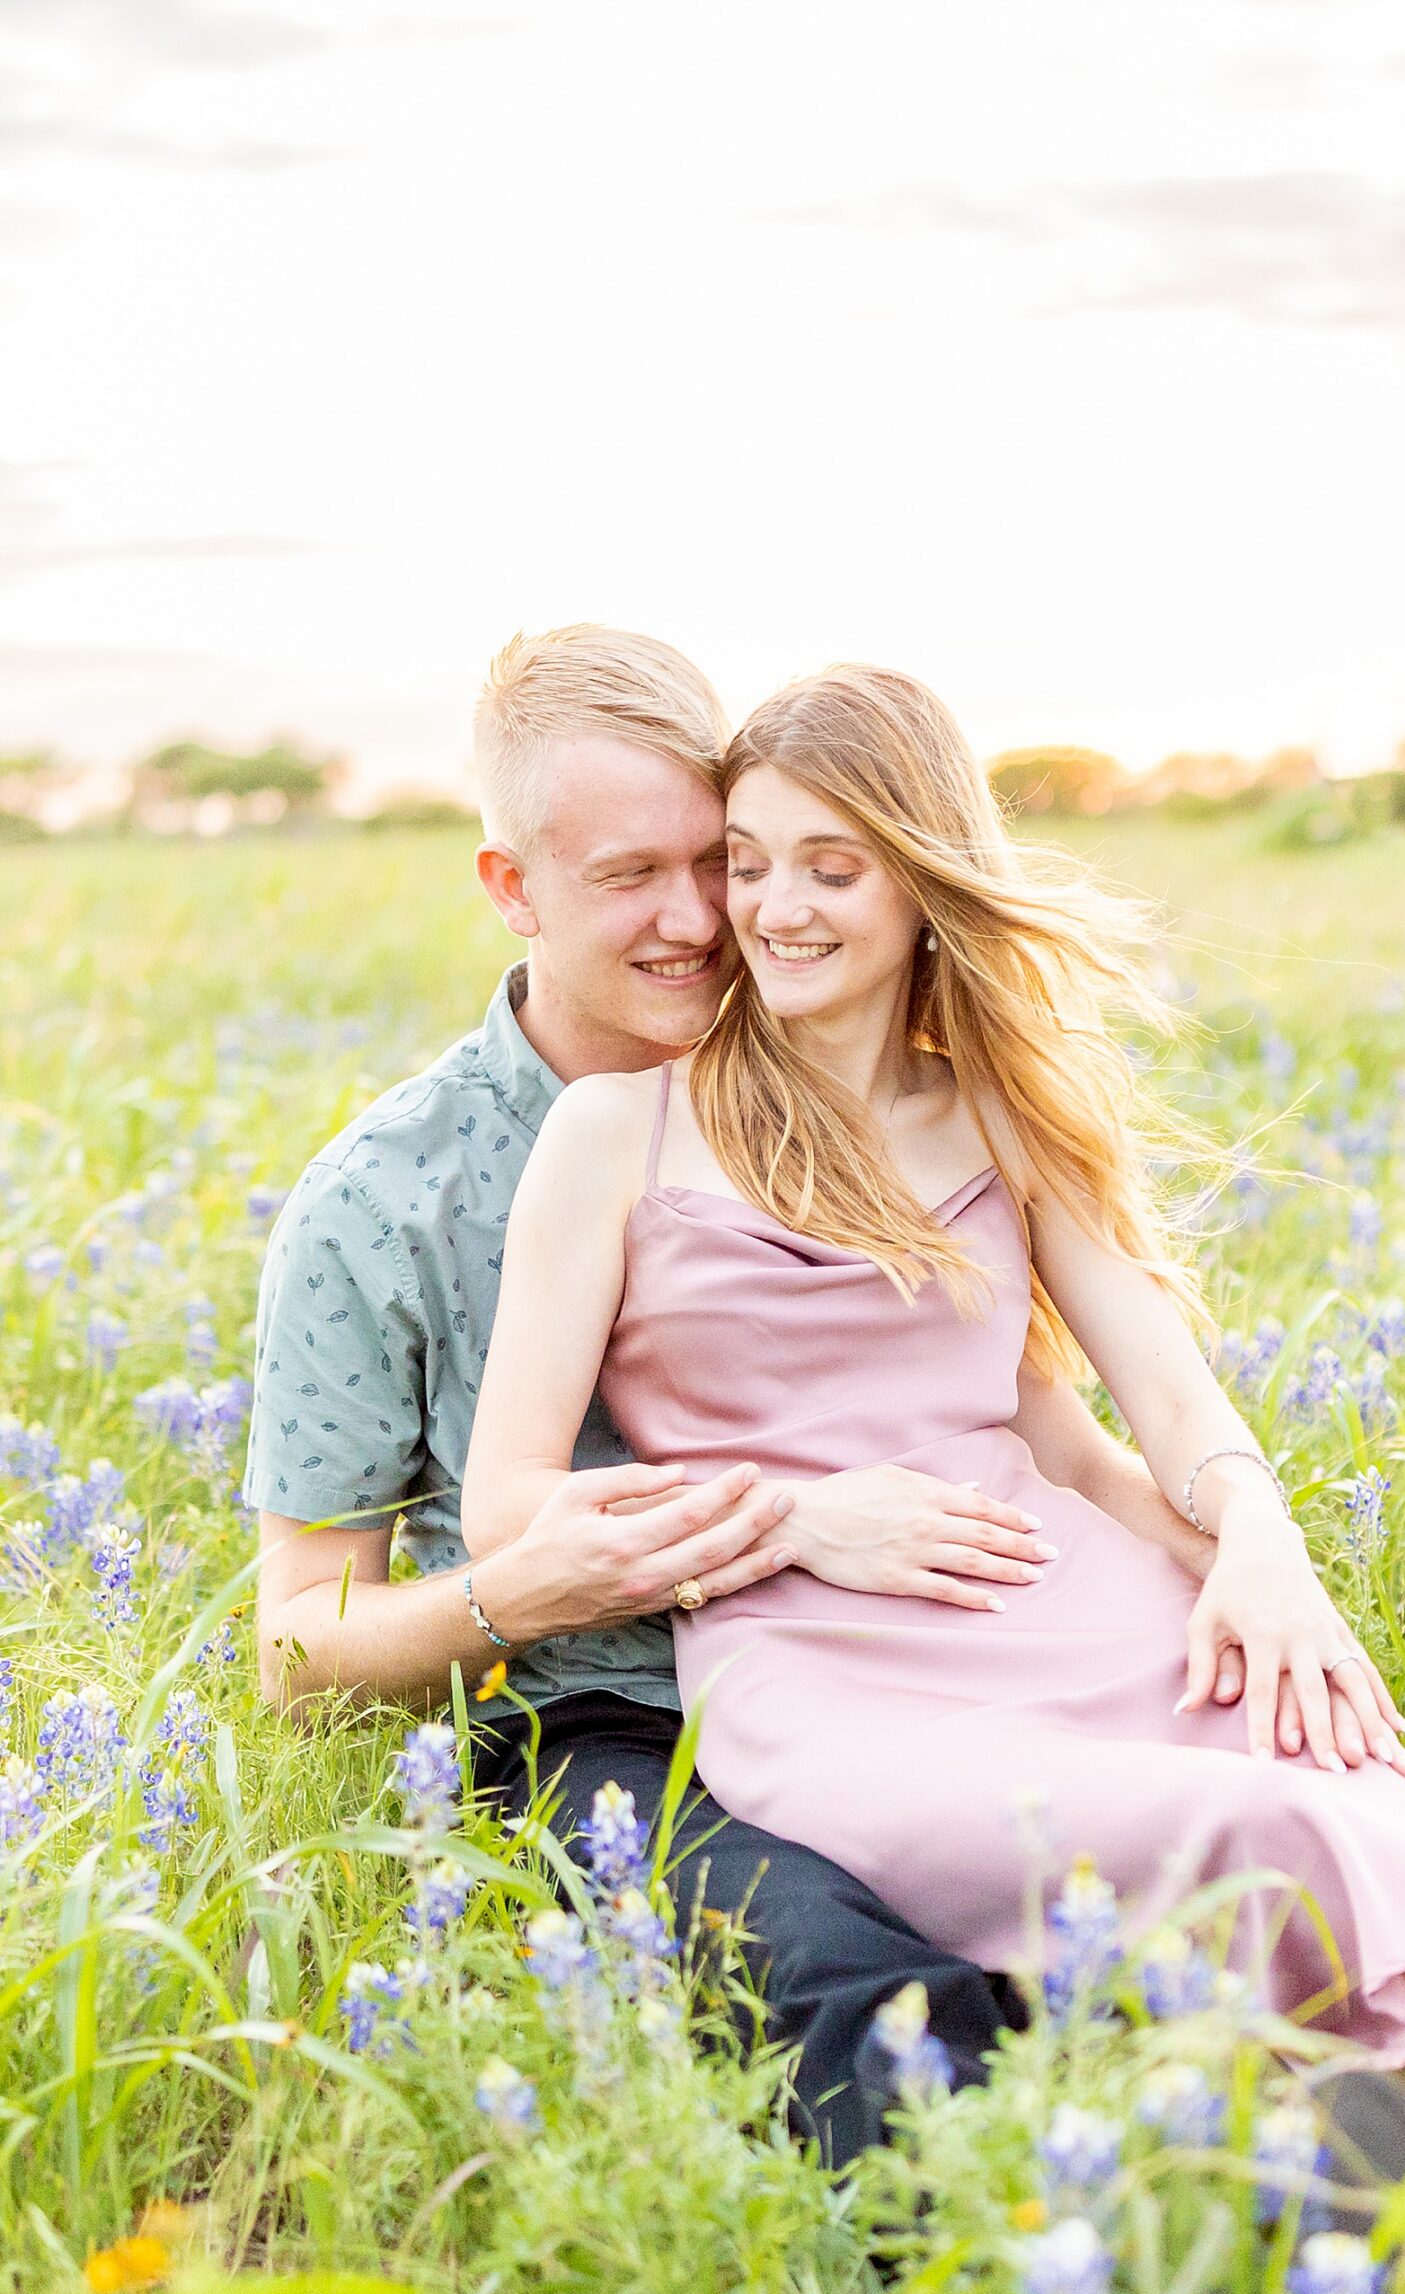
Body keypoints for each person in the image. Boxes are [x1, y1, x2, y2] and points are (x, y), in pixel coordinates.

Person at [462, 661, 1405, 2209]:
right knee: (1240, 1822)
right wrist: (791, 1519)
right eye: (750, 862)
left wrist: (1260, 1550)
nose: (769, 909)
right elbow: (509, 1511)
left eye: (830, 868)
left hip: (1083, 1602)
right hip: (822, 1670)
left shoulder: (997, 1113)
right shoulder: (621, 1129)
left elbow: (1167, 1398)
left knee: (1348, 1788)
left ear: (922, 883)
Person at [244, 625, 1225, 2166]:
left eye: (724, 859)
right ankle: (1126, 2266)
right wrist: (509, 1598)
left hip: (927, 1659)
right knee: (865, 1995)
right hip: (621, 1717)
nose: (706, 920)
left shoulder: (861, 1083)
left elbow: (1038, 1424)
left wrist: (1250, 1571)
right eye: (633, 875)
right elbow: (299, 1644)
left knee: (1192, 1894)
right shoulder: (385, 1203)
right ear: (514, 889)